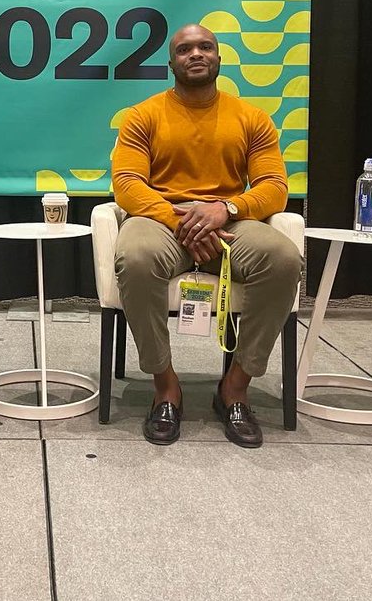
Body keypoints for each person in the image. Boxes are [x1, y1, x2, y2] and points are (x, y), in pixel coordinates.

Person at [111, 23, 302, 448]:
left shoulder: (252, 118)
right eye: (184, 49)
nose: (195, 54)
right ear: (171, 62)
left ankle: (234, 389)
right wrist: (181, 220)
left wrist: (225, 210)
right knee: (135, 256)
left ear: (218, 57)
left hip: (229, 224)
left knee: (284, 259)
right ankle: (165, 387)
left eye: (205, 47)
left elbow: (275, 186)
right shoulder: (143, 115)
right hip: (163, 221)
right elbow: (126, 182)